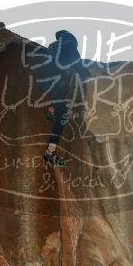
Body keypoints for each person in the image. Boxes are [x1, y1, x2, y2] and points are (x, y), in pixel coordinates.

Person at [39, 30, 88, 167]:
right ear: (71, 40)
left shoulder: (52, 46)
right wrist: (87, 74)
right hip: (57, 81)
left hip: (44, 81)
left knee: (59, 98)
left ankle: (53, 109)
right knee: (63, 115)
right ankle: (50, 151)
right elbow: (79, 65)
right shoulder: (70, 46)